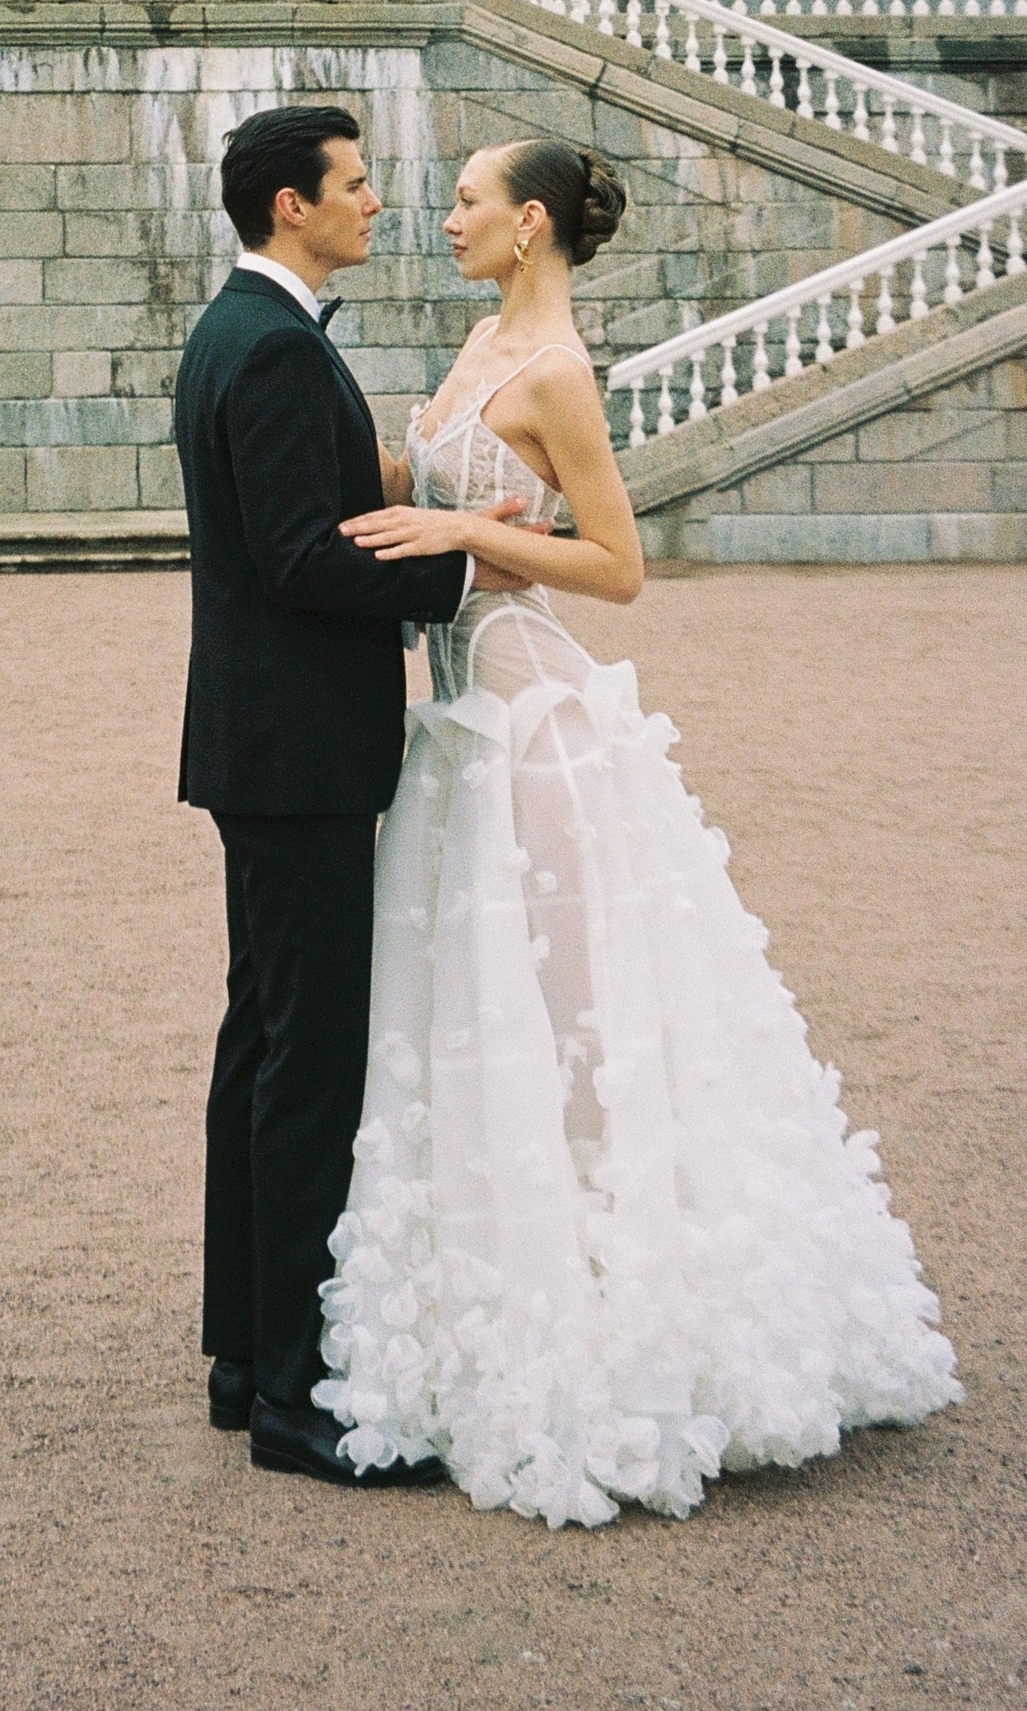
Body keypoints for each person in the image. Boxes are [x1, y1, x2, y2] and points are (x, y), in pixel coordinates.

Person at [321, 136, 962, 1528]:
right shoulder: (484, 336)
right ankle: (507, 1289)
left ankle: (620, 1305)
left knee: (568, 1013)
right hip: (462, 720)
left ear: (530, 222)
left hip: (535, 715)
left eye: (469, 201)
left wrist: (457, 542)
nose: (443, 217)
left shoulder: (554, 372)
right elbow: (423, 477)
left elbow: (618, 568)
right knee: (483, 1017)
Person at [173, 102, 528, 1486]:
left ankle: (238, 1351)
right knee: (305, 1064)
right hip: (297, 753)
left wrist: (439, 517)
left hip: (268, 749)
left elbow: (316, 522)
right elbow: (301, 564)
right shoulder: (268, 348)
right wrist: (463, 573)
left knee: (262, 1045)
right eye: (358, 185)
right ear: (288, 208)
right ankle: (290, 1397)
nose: (379, 203)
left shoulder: (248, 332)